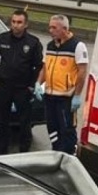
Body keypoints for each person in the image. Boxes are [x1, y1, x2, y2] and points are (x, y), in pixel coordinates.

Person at [0, 9, 43, 154]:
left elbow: (39, 66)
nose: (16, 25)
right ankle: (1, 149)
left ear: (26, 25)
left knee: (24, 122)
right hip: (3, 86)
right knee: (2, 120)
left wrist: (32, 86)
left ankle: (24, 149)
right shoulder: (2, 38)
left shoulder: (33, 42)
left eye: (19, 22)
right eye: (13, 22)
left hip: (23, 89)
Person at [37, 14, 89, 154]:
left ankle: (69, 156)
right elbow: (45, 68)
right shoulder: (50, 45)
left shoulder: (77, 46)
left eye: (54, 27)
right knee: (52, 128)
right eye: (50, 27)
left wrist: (77, 95)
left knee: (67, 129)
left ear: (65, 29)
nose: (50, 30)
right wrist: (38, 83)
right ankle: (56, 151)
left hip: (66, 98)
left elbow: (82, 72)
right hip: (50, 96)